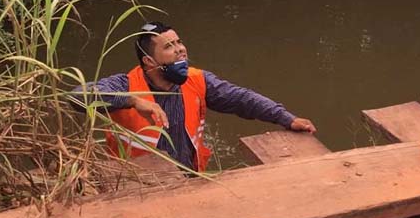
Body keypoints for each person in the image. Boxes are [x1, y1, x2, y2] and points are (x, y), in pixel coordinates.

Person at [74, 21, 316, 171]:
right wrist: (132, 100)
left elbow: (242, 99)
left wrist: (286, 118)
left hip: (190, 177)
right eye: (168, 46)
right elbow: (76, 97)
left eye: (179, 42)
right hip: (138, 188)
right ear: (149, 61)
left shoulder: (197, 80)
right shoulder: (126, 84)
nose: (180, 49)